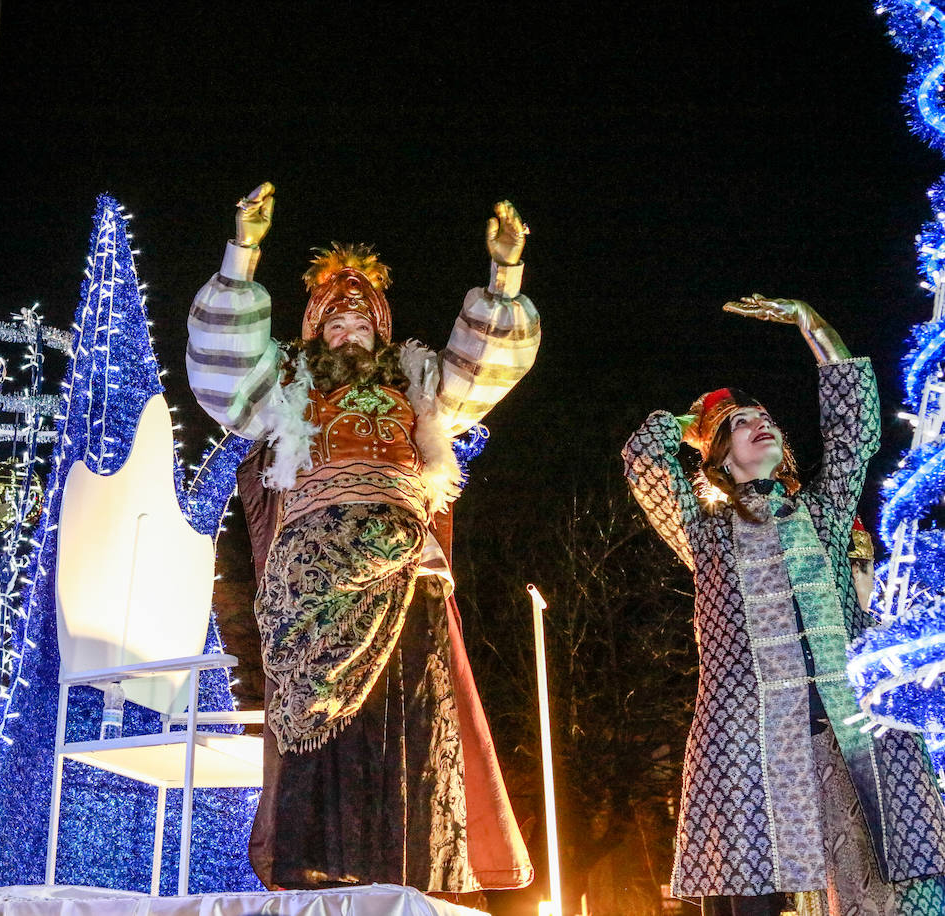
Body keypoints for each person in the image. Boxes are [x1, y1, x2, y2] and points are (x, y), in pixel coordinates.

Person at [186, 182, 536, 892]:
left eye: (363, 325)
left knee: (405, 715)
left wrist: (506, 277)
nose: (350, 334)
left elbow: (488, 365)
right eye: (334, 325)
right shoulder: (286, 383)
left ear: (383, 331)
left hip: (407, 567)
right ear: (315, 332)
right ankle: (321, 872)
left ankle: (400, 870)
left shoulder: (420, 383)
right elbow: (221, 370)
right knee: (319, 721)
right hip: (315, 572)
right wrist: (243, 251)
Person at [623, 295, 945, 916]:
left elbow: (855, 429)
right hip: (750, 740)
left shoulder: (821, 515)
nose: (760, 422)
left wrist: (812, 323)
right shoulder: (706, 534)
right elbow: (645, 464)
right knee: (749, 890)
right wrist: (690, 423)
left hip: (855, 733)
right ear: (716, 457)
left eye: (764, 415)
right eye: (741, 424)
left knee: (900, 884)